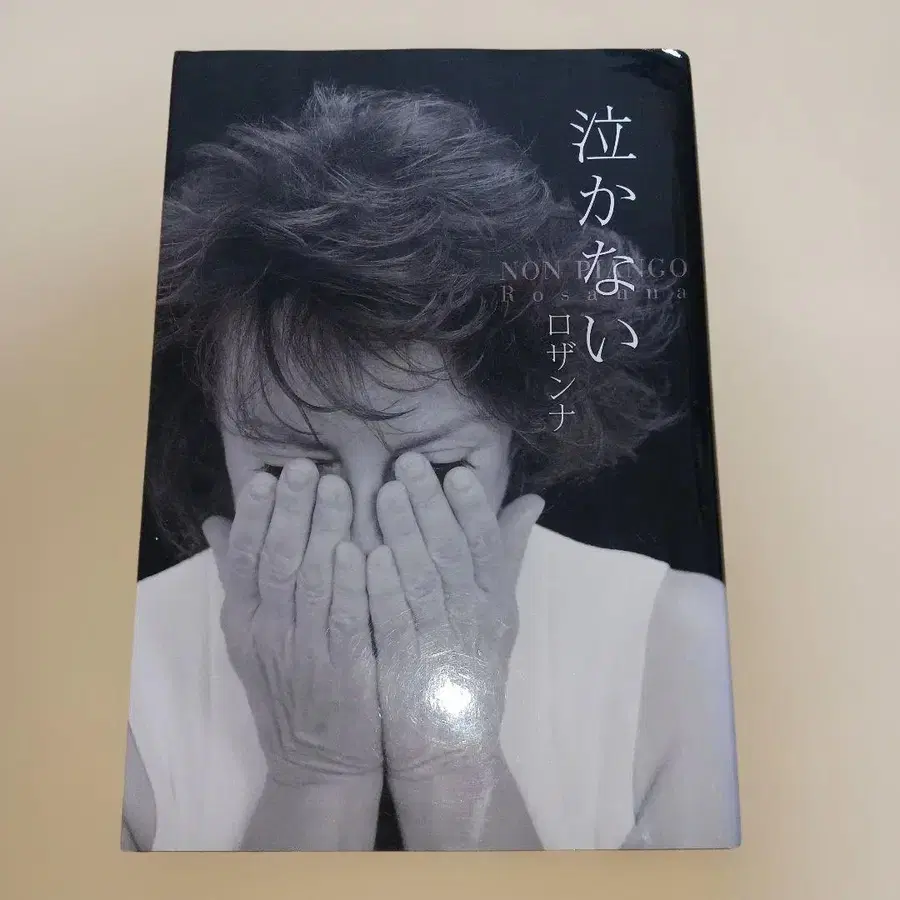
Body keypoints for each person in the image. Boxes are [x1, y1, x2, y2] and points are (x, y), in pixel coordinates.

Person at [121, 83, 740, 852]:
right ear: (212, 429)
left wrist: (450, 761)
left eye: (435, 472)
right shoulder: (107, 672)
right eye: (291, 471)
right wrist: (317, 772)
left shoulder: (682, 647)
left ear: (517, 430)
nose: (365, 539)